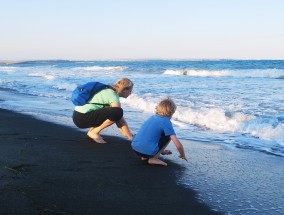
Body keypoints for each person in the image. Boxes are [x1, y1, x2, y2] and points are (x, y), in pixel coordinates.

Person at [72, 78, 134, 144]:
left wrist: (128, 135)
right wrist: (131, 138)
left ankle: (92, 131)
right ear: (125, 89)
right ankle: (94, 132)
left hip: (78, 116)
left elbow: (118, 119)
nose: (130, 93)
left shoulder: (107, 90)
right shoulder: (113, 94)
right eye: (130, 91)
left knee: (113, 113)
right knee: (117, 112)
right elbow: (119, 118)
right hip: (82, 118)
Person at [131, 97, 187, 166]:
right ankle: (153, 158)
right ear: (171, 113)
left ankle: (146, 156)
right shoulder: (166, 121)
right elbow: (178, 145)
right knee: (168, 136)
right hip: (147, 152)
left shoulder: (152, 117)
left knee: (154, 134)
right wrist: (182, 155)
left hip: (135, 148)